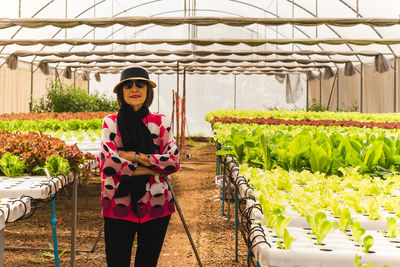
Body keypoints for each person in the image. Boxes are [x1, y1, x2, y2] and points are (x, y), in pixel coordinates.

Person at [97, 67, 180, 267]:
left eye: (140, 84)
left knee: (147, 262)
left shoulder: (160, 122)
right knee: (117, 262)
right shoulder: (111, 122)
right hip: (118, 204)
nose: (134, 89)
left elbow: (173, 162)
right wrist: (155, 167)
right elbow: (108, 163)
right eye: (128, 85)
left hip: (156, 204)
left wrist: (135, 156)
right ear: (121, 92)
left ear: (148, 90)